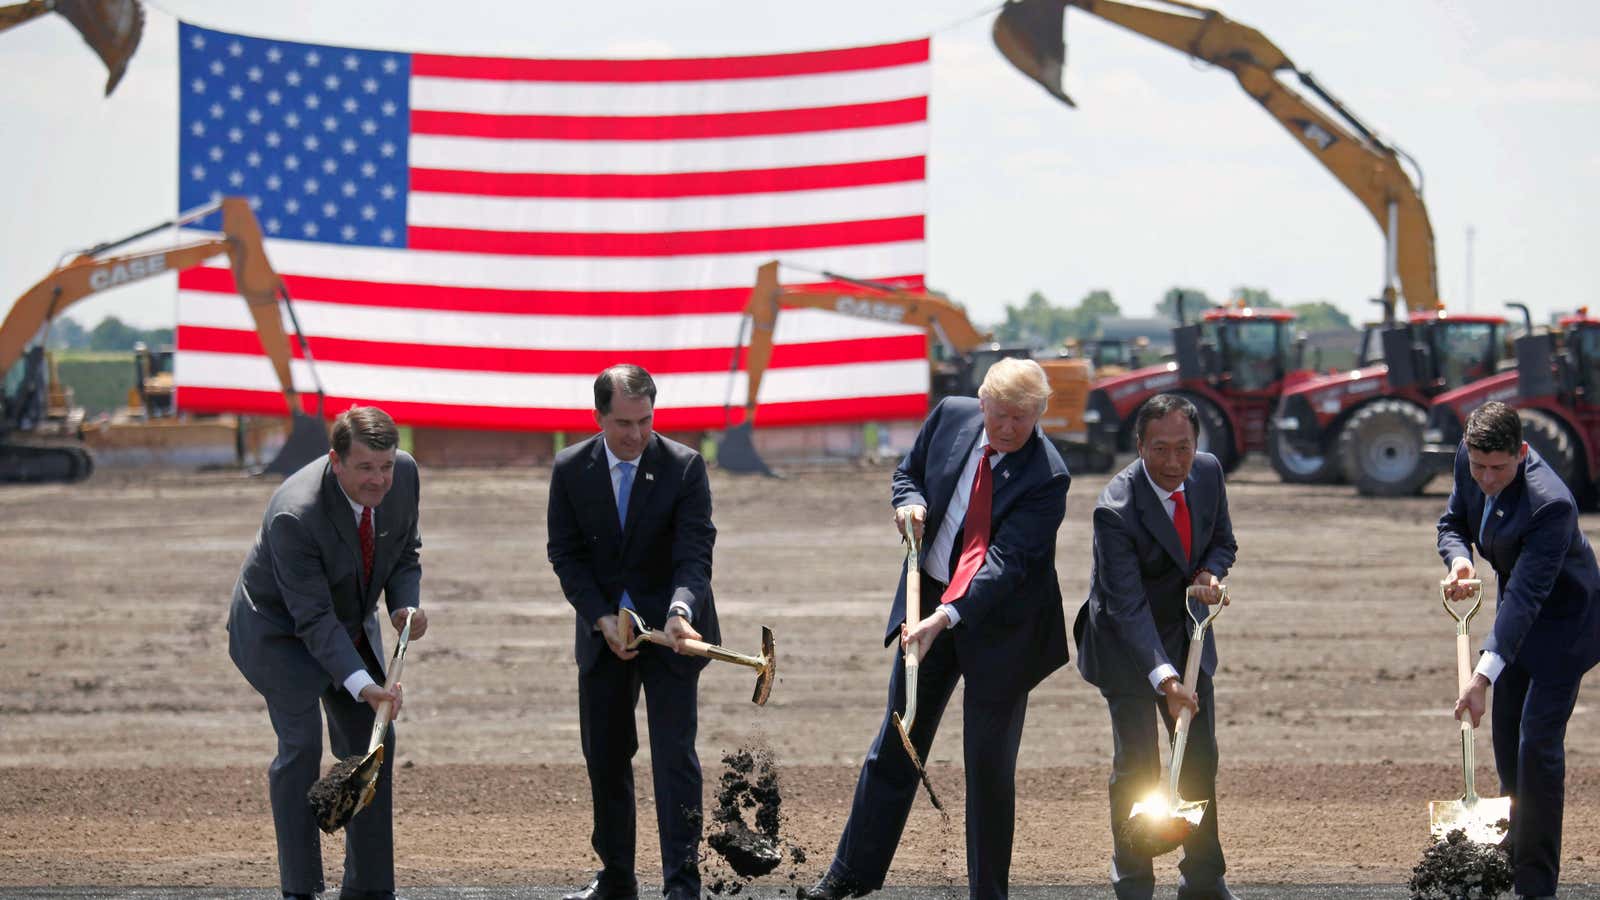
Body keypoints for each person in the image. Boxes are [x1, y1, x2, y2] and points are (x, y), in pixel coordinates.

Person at [799, 358, 1072, 900]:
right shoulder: (950, 416)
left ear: (1040, 414)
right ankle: (848, 876)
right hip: (926, 602)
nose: (1010, 428)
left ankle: (987, 894)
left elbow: (1004, 565)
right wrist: (910, 502)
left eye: (1023, 418)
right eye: (1000, 415)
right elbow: (907, 473)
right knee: (897, 742)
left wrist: (944, 618)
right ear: (981, 402)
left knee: (989, 770)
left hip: (1001, 629)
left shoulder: (1048, 475)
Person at [227, 405, 428, 900]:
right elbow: (311, 619)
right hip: (278, 631)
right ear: (335, 461)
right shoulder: (296, 513)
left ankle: (368, 889)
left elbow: (405, 552)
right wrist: (365, 685)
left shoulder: (404, 475)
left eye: (385, 466)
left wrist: (404, 607)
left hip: (345, 617)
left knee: (373, 743)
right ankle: (301, 889)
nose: (379, 480)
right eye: (365, 468)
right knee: (302, 748)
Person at [547, 364, 718, 900]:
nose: (636, 434)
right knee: (605, 757)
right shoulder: (571, 469)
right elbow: (566, 555)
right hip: (605, 638)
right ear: (599, 417)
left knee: (674, 760)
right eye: (623, 423)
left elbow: (695, 552)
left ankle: (682, 887)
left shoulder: (684, 466)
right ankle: (617, 878)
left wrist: (680, 610)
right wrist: (600, 618)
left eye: (645, 421)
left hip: (672, 635)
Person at [1073, 393, 1238, 900]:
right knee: (1138, 765)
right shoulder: (1116, 510)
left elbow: (1223, 541)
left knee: (1198, 759)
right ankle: (1133, 881)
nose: (1173, 462)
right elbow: (1126, 606)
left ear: (1197, 444)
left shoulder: (1208, 473)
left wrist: (1209, 572)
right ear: (1139, 446)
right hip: (1126, 649)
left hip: (1188, 635)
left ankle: (1204, 881)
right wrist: (1164, 678)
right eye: (1160, 449)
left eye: (1183, 448)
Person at [1438, 400, 1600, 900]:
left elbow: (1529, 595)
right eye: (1478, 465)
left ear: (1522, 453)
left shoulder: (1551, 503)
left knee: (1536, 746)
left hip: (1566, 628)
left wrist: (1482, 676)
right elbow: (1452, 524)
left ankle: (1536, 885)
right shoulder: (1471, 463)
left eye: (1498, 468)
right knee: (1506, 740)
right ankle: (1510, 847)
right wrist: (1461, 561)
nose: (1486, 477)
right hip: (1517, 617)